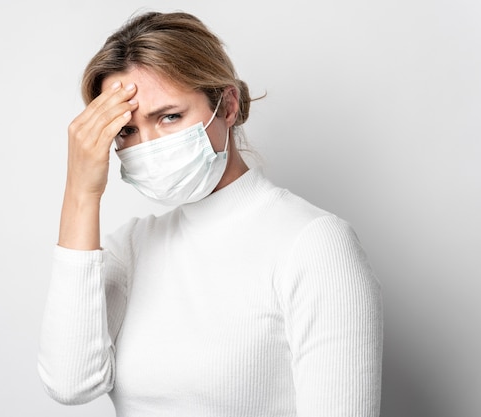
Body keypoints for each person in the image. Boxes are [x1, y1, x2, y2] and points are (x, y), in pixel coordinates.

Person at [38, 10, 382, 417]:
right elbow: (70, 383)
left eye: (169, 116)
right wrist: (81, 192)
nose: (148, 144)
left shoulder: (313, 243)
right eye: (126, 131)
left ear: (228, 105)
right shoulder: (131, 248)